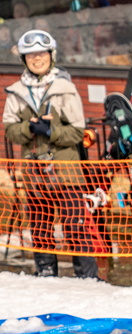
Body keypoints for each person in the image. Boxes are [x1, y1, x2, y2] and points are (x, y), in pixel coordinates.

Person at [2, 29, 98, 279]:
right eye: (31, 55)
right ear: (24, 59)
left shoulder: (65, 89)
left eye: (42, 53)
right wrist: (28, 128)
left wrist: (51, 131)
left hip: (65, 170)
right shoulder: (17, 91)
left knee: (75, 224)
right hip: (35, 172)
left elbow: (77, 131)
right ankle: (45, 273)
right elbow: (10, 130)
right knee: (40, 226)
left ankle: (87, 277)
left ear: (51, 55)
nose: (37, 58)